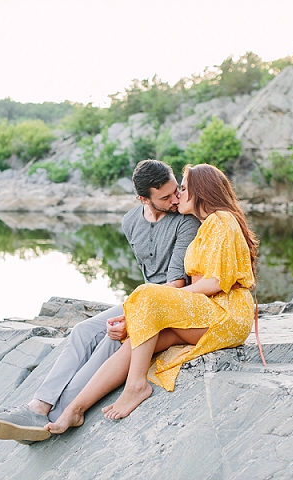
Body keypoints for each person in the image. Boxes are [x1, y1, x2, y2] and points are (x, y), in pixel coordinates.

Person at [0, 160, 201, 443]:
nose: (176, 199)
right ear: (143, 199)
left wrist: (133, 319)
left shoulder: (186, 221)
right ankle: (38, 407)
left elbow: (177, 283)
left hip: (170, 302)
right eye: (166, 197)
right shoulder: (131, 221)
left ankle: (59, 415)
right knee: (84, 330)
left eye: (176, 191)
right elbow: (148, 275)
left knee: (112, 339)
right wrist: (131, 312)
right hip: (145, 298)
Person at [47, 163, 258, 434]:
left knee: (146, 294)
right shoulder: (207, 225)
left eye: (182, 189)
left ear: (200, 192)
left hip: (226, 313)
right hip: (209, 311)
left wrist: (162, 298)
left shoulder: (221, 220)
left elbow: (216, 282)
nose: (178, 196)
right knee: (139, 341)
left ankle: (136, 386)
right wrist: (144, 311)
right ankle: (74, 410)